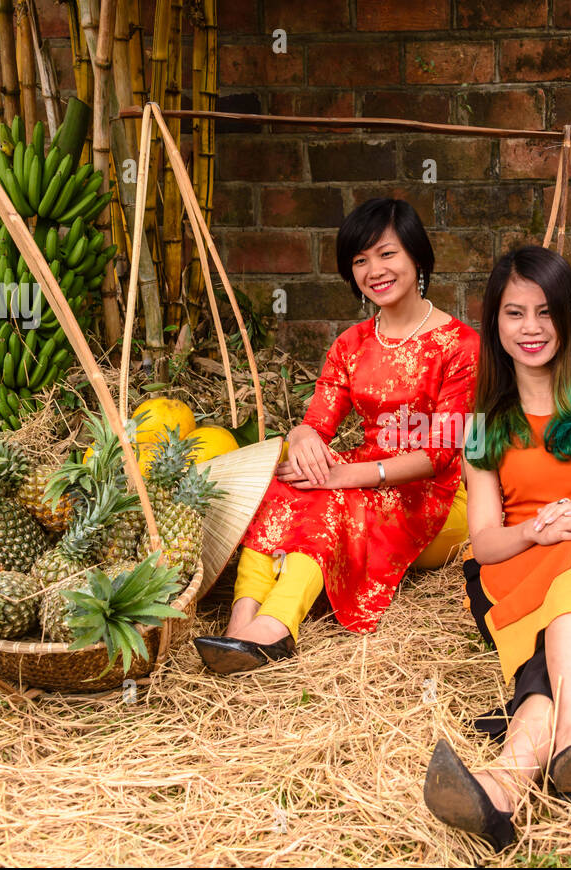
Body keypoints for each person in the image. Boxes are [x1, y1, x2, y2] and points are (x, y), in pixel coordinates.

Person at [422, 245, 571, 852]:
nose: (531, 329)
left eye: (545, 312)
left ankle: (502, 787)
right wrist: (534, 530)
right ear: (495, 323)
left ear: (568, 317)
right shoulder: (486, 423)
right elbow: (483, 540)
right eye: (513, 313)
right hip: (513, 571)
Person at [195, 198, 480, 674]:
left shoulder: (461, 345)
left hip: (434, 494)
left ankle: (277, 627)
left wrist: (342, 476)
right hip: (366, 472)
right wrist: (303, 436)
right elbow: (318, 422)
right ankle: (241, 620)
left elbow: (440, 455)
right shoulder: (351, 343)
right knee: (285, 478)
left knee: (334, 495)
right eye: (360, 260)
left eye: (387, 254)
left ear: (416, 256)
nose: (375, 270)